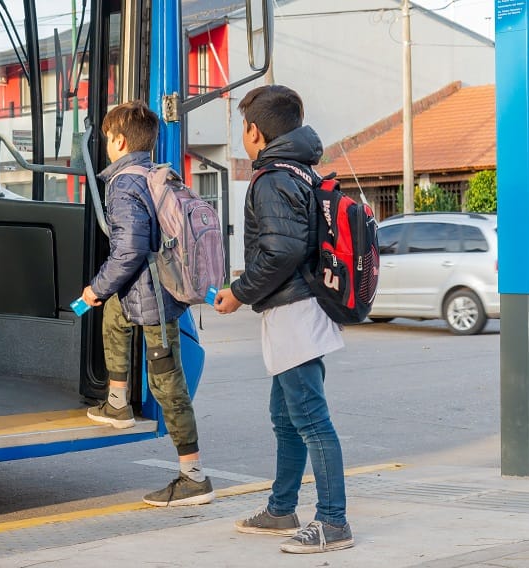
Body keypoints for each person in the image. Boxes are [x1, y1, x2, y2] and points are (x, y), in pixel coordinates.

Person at [213, 85, 353, 554]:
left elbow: (282, 251)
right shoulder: (300, 170)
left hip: (295, 312)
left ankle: (333, 522)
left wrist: (239, 293)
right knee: (286, 417)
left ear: (255, 132)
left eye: (243, 128)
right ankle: (281, 510)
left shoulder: (273, 178)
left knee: (310, 420)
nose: (243, 136)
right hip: (299, 308)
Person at [80, 100, 214, 508]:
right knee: (114, 317)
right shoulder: (156, 174)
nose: (106, 145)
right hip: (153, 289)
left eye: (108, 138)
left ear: (120, 141)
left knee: (167, 384)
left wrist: (96, 288)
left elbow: (130, 249)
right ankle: (117, 402)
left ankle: (194, 477)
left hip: (154, 297)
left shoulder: (124, 185)